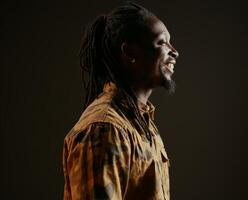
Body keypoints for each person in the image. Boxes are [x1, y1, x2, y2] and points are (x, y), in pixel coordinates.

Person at [62, 2, 179, 200]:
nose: (174, 51)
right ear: (129, 53)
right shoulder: (104, 128)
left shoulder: (141, 123)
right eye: (161, 42)